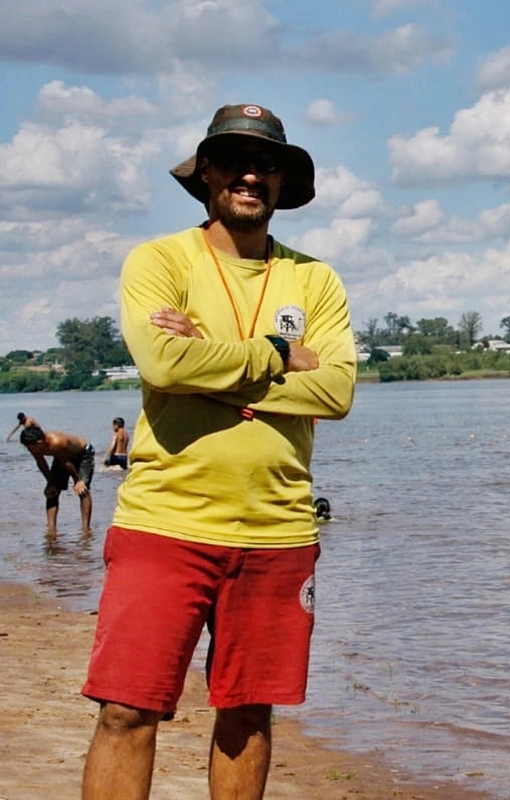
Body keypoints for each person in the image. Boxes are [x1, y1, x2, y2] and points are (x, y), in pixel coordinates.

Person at [80, 103, 356, 800]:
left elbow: (336, 390)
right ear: (206, 170)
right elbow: (164, 364)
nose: (249, 174)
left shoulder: (315, 279)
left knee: (248, 713)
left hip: (279, 530)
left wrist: (212, 363)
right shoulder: (159, 260)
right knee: (125, 710)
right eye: (233, 159)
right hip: (163, 524)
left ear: (282, 179)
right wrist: (276, 356)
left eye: (265, 162)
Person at [18, 424, 94, 535]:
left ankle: (85, 529)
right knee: (52, 491)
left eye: (29, 447)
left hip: (83, 454)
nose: (28, 450)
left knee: (82, 489)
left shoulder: (56, 442)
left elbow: (66, 463)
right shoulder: (35, 447)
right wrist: (50, 482)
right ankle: (51, 528)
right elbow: (41, 463)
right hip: (62, 457)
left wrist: (77, 480)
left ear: (39, 443)